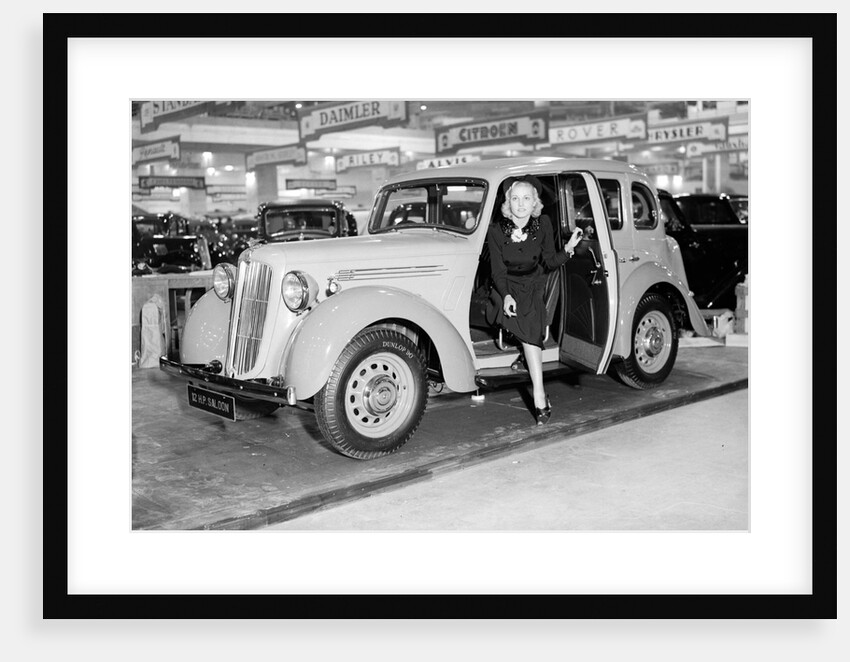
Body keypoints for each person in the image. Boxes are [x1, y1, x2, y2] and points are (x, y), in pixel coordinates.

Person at [486, 175, 584, 425]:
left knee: (530, 325)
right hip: (505, 285)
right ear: (508, 202)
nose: (520, 204)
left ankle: (538, 389)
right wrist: (506, 295)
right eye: (515, 199)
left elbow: (550, 261)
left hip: (532, 284)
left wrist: (569, 248)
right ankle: (539, 390)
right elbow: (497, 272)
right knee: (528, 326)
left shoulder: (544, 224)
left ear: (534, 203)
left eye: (526, 199)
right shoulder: (496, 230)